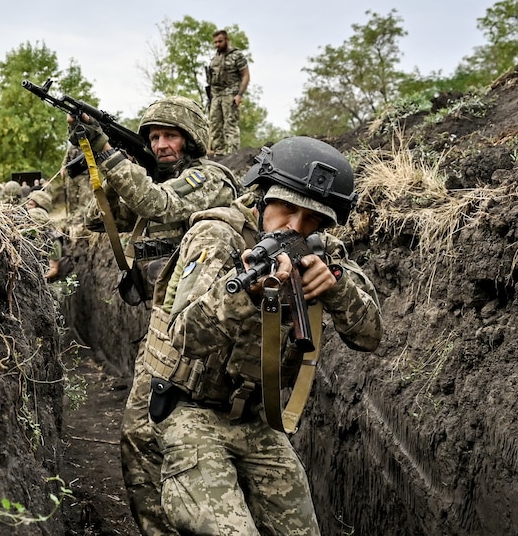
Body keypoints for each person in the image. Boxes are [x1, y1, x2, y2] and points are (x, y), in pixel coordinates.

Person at [139, 136, 383, 534]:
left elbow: (371, 336)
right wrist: (246, 296)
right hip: (192, 413)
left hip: (259, 420)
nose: (296, 226)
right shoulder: (218, 237)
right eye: (287, 208)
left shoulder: (324, 251)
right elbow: (184, 336)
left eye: (311, 219)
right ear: (262, 198)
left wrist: (336, 287)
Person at [66, 96, 237, 535]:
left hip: (208, 332)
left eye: (170, 135)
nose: (160, 145)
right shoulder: (155, 179)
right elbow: (99, 216)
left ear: (191, 139)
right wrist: (89, 156)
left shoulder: (210, 178)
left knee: (179, 439)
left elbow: (158, 204)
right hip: (165, 327)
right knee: (141, 437)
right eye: (153, 137)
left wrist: (108, 150)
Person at [206, 29, 250, 156]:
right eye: (215, 42)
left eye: (220, 41)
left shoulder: (237, 55)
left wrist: (240, 94)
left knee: (230, 125)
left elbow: (246, 75)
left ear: (227, 40)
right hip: (216, 95)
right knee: (214, 125)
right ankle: (219, 154)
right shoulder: (215, 58)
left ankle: (233, 154)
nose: (217, 44)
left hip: (231, 94)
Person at [24, 190, 64, 282]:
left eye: (30, 204)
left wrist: (39, 277)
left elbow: (53, 268)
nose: (27, 207)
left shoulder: (52, 237)